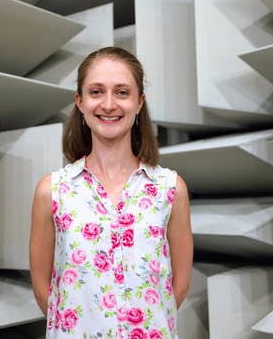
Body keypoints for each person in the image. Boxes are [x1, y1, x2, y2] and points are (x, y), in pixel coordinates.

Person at [29, 46, 193, 339]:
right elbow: (44, 291)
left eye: (121, 92)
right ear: (79, 102)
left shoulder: (170, 189)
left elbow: (177, 287)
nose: (108, 104)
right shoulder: (52, 191)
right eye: (96, 92)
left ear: (140, 102)